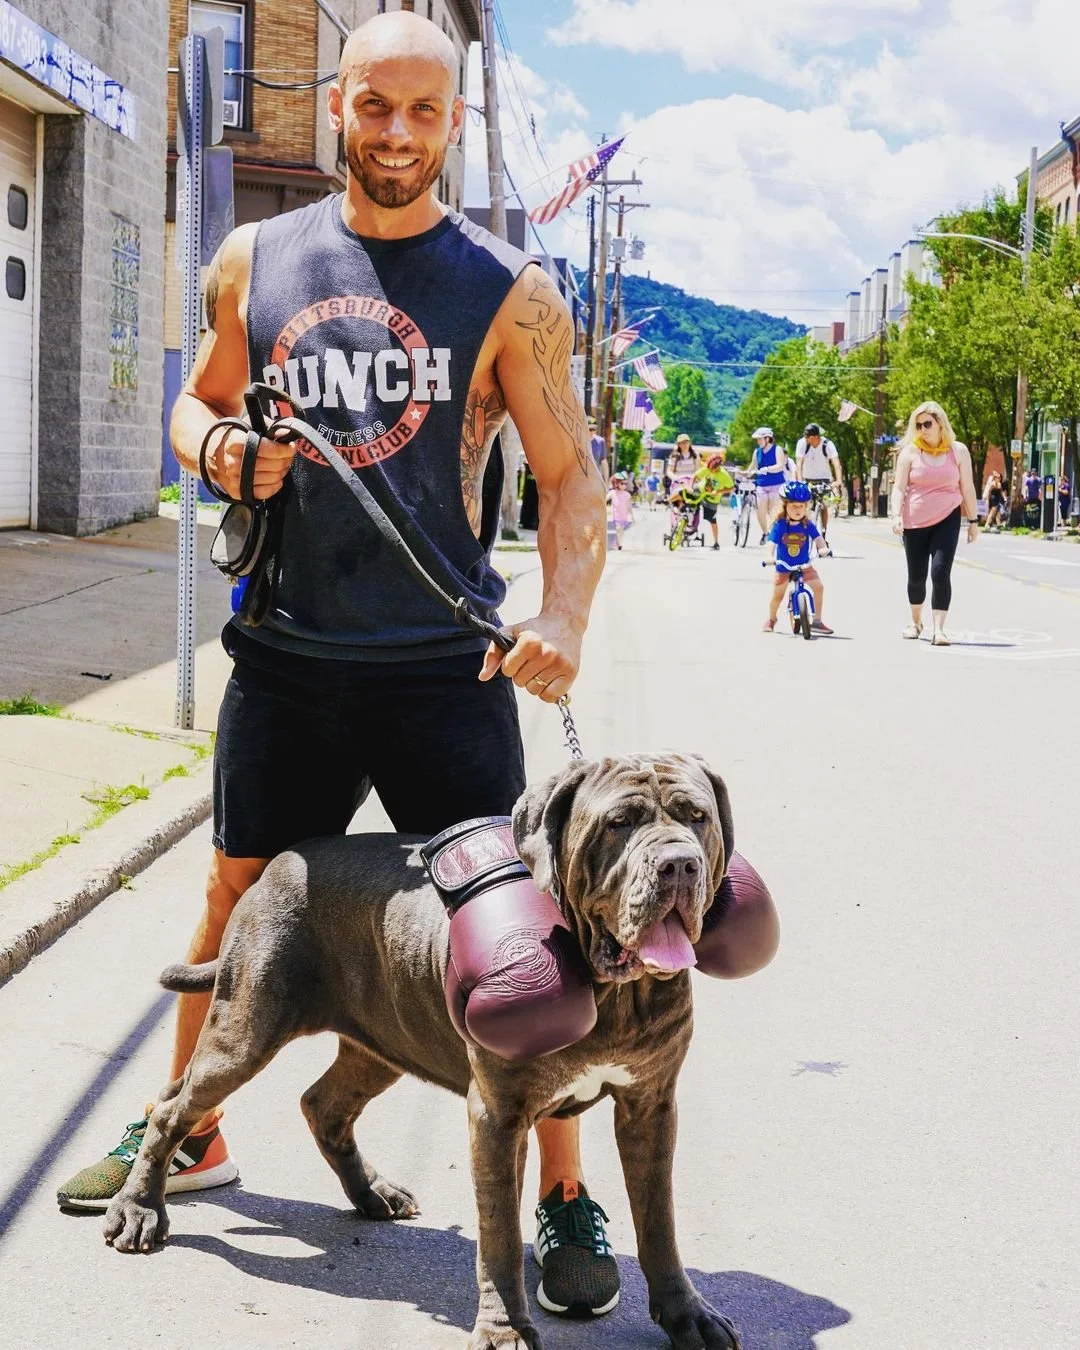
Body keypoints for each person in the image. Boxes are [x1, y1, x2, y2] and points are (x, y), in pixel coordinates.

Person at [57, 10, 619, 1320]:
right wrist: (214, 451)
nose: (398, 134)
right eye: (376, 106)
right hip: (289, 657)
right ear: (336, 105)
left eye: (424, 112)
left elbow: (571, 476)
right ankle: (186, 1129)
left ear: (455, 123)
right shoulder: (254, 259)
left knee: (516, 936)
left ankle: (563, 1192)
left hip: (445, 671)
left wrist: (566, 616)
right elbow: (195, 399)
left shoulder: (510, 288)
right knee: (233, 901)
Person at [890, 401, 978, 646]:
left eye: (927, 424)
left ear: (940, 424)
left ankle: (939, 629)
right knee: (916, 577)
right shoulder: (910, 453)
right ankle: (916, 622)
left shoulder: (958, 451)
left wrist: (973, 520)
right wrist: (896, 516)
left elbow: (967, 487)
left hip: (948, 517)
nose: (922, 430)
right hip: (914, 521)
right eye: (918, 426)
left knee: (940, 571)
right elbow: (899, 488)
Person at [762, 480, 833, 633]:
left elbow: (818, 538)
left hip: (804, 565)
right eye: (794, 506)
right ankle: (771, 619)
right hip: (784, 566)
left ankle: (817, 621)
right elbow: (772, 542)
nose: (798, 510)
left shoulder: (807, 524)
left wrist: (823, 548)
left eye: (801, 506)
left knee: (819, 587)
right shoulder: (780, 525)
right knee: (777, 596)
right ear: (785, 506)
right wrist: (769, 556)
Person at [795, 422, 844, 536]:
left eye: (808, 436)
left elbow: (836, 463)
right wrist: (799, 481)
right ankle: (804, 529)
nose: (806, 438)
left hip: (824, 479)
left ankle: (823, 532)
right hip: (807, 478)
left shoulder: (827, 445)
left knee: (823, 505)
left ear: (816, 436)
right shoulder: (802, 443)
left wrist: (838, 480)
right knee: (804, 504)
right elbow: (799, 464)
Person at [746, 426, 787, 542]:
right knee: (760, 511)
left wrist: (767, 469)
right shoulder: (757, 452)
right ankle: (765, 532)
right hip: (761, 485)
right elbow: (753, 465)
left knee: (772, 511)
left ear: (767, 439)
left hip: (776, 484)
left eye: (760, 439)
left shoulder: (777, 449)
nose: (758, 441)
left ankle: (774, 535)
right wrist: (746, 474)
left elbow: (780, 466)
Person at [691, 451, 735, 549]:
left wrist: (719, 491)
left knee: (712, 520)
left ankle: (716, 542)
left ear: (718, 467)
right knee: (689, 505)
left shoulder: (724, 475)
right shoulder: (707, 468)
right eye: (709, 469)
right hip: (700, 492)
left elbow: (731, 487)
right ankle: (685, 528)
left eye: (712, 470)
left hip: (712, 499)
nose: (710, 471)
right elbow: (695, 476)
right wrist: (690, 487)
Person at [607, 471, 633, 549]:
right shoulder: (612, 492)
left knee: (621, 530)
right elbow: (605, 499)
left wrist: (632, 516)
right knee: (618, 528)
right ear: (616, 484)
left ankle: (617, 542)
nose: (624, 485)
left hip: (624, 515)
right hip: (616, 515)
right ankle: (619, 544)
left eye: (625, 484)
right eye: (622, 483)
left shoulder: (627, 494)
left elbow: (629, 506)